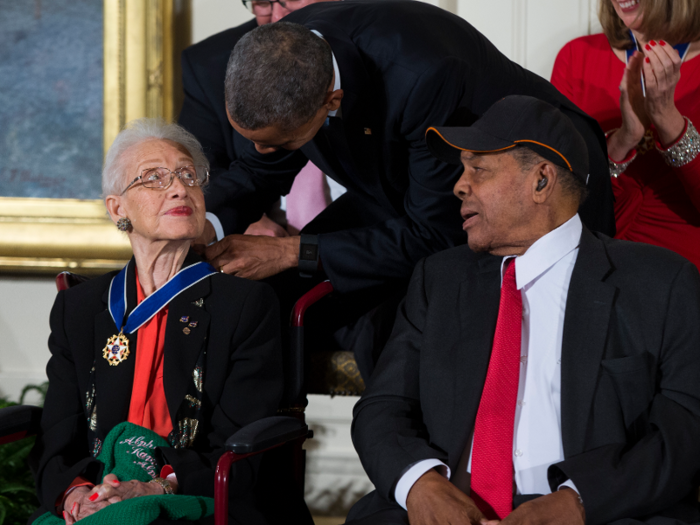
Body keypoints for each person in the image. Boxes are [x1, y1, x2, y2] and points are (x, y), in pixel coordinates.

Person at [196, 1, 615, 377]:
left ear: (331, 101)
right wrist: (200, 224)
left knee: (401, 335)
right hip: (404, 184)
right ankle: (254, 453)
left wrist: (291, 251)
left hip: (520, 189)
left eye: (281, 142)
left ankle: (430, 460)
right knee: (256, 305)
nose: (260, 151)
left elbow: (431, 233)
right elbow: (258, 169)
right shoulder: (287, 47)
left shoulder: (424, 74)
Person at [346, 95, 700, 525]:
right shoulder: (439, 279)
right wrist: (422, 484)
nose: (459, 185)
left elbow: (685, 429)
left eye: (478, 168)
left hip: (600, 512)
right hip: (450, 503)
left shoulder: (660, 282)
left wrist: (579, 501)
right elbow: (381, 408)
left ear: (541, 181)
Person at [28, 119, 297, 525]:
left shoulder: (243, 304)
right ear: (118, 208)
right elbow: (58, 434)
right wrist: (77, 495)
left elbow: (238, 442)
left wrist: (153, 488)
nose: (179, 188)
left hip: (191, 497)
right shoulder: (80, 309)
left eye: (189, 175)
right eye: (153, 178)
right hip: (94, 497)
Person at [552, 0, 700, 269]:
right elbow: (556, 198)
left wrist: (667, 119)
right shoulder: (577, 57)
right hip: (591, 272)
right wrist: (623, 139)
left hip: (684, 280)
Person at [179, 0, 338, 240]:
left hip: (371, 242)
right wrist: (239, 219)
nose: (277, 15)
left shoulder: (382, 54)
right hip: (260, 237)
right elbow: (200, 171)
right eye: (262, 3)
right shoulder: (210, 64)